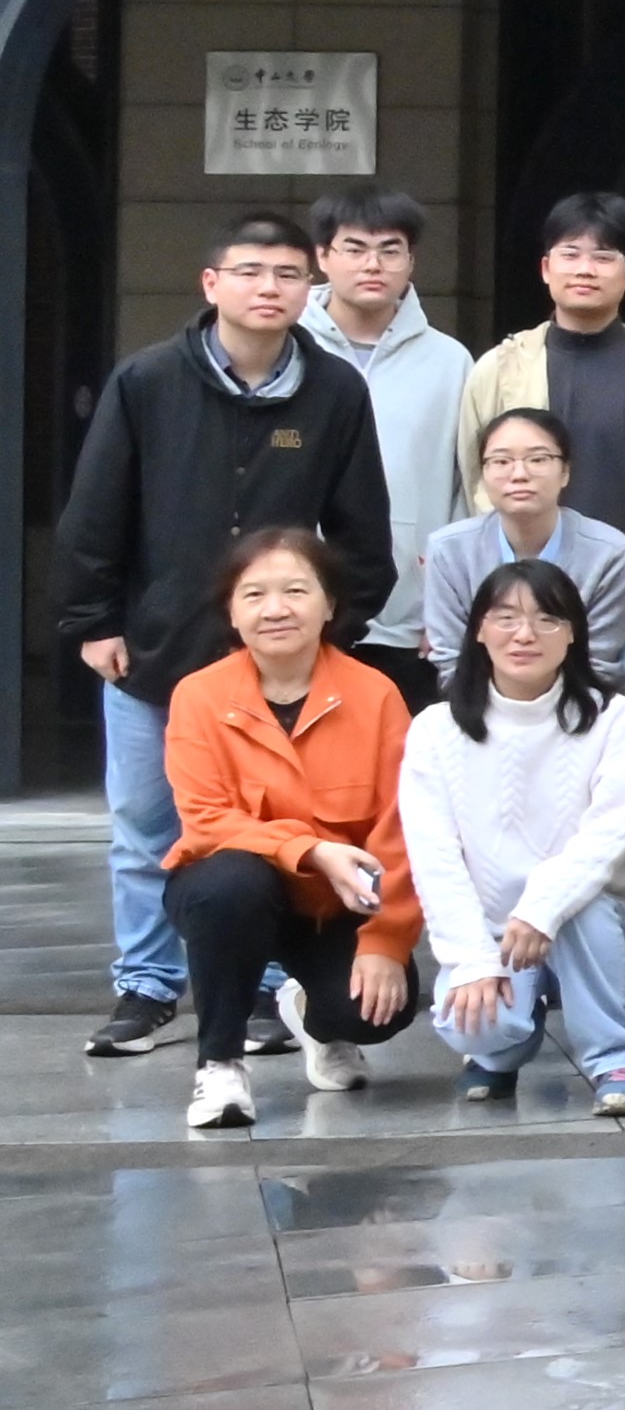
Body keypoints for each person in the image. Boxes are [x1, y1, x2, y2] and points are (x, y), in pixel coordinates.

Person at [63, 205, 400, 1057]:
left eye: (288, 274)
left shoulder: (333, 391)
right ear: (212, 283)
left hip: (285, 665)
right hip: (157, 649)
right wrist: (94, 621)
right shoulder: (147, 381)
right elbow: (97, 509)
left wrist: (338, 630)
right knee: (147, 827)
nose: (268, 288)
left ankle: (262, 986)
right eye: (249, 272)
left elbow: (362, 529)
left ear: (309, 288)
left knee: (280, 824)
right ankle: (146, 987)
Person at [157, 525, 427, 1133]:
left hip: (334, 906)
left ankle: (316, 1018)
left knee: (376, 1011)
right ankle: (220, 1064)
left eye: (296, 591)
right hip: (230, 893)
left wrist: (386, 941)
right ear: (231, 612)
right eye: (254, 594)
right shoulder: (199, 696)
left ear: (329, 605)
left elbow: (404, 825)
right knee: (232, 881)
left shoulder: (375, 695)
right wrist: (312, 850)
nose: (275, 609)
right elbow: (205, 818)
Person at [402, 552, 625, 1119]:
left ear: (573, 634)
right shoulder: (435, 730)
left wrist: (542, 908)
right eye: (506, 618)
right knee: (479, 1028)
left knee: (582, 907)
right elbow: (434, 857)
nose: (525, 634)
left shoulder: (615, 718)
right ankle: (502, 1048)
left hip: (602, 926)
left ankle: (617, 1056)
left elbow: (608, 835)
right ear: (478, 630)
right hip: (494, 932)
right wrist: (472, 960)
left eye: (547, 619)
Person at [457, 191, 625, 535]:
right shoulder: (499, 369)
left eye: (603, 257)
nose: (584, 270)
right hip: (525, 561)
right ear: (545, 268)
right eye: (570, 254)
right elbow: (473, 480)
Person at [417, 404, 625, 701]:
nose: (519, 474)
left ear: (565, 472)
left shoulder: (611, 555)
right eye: (501, 461)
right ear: (483, 473)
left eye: (537, 459)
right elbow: (452, 662)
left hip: (588, 708)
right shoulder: (449, 551)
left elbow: (597, 665)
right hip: (478, 709)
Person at [313, 184, 470, 561]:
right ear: (322, 256)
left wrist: (452, 566)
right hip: (295, 575)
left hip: (415, 576)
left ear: (411, 261)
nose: (373, 265)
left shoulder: (449, 361)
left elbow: (468, 480)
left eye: (390, 250)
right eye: (354, 250)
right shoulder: (289, 347)